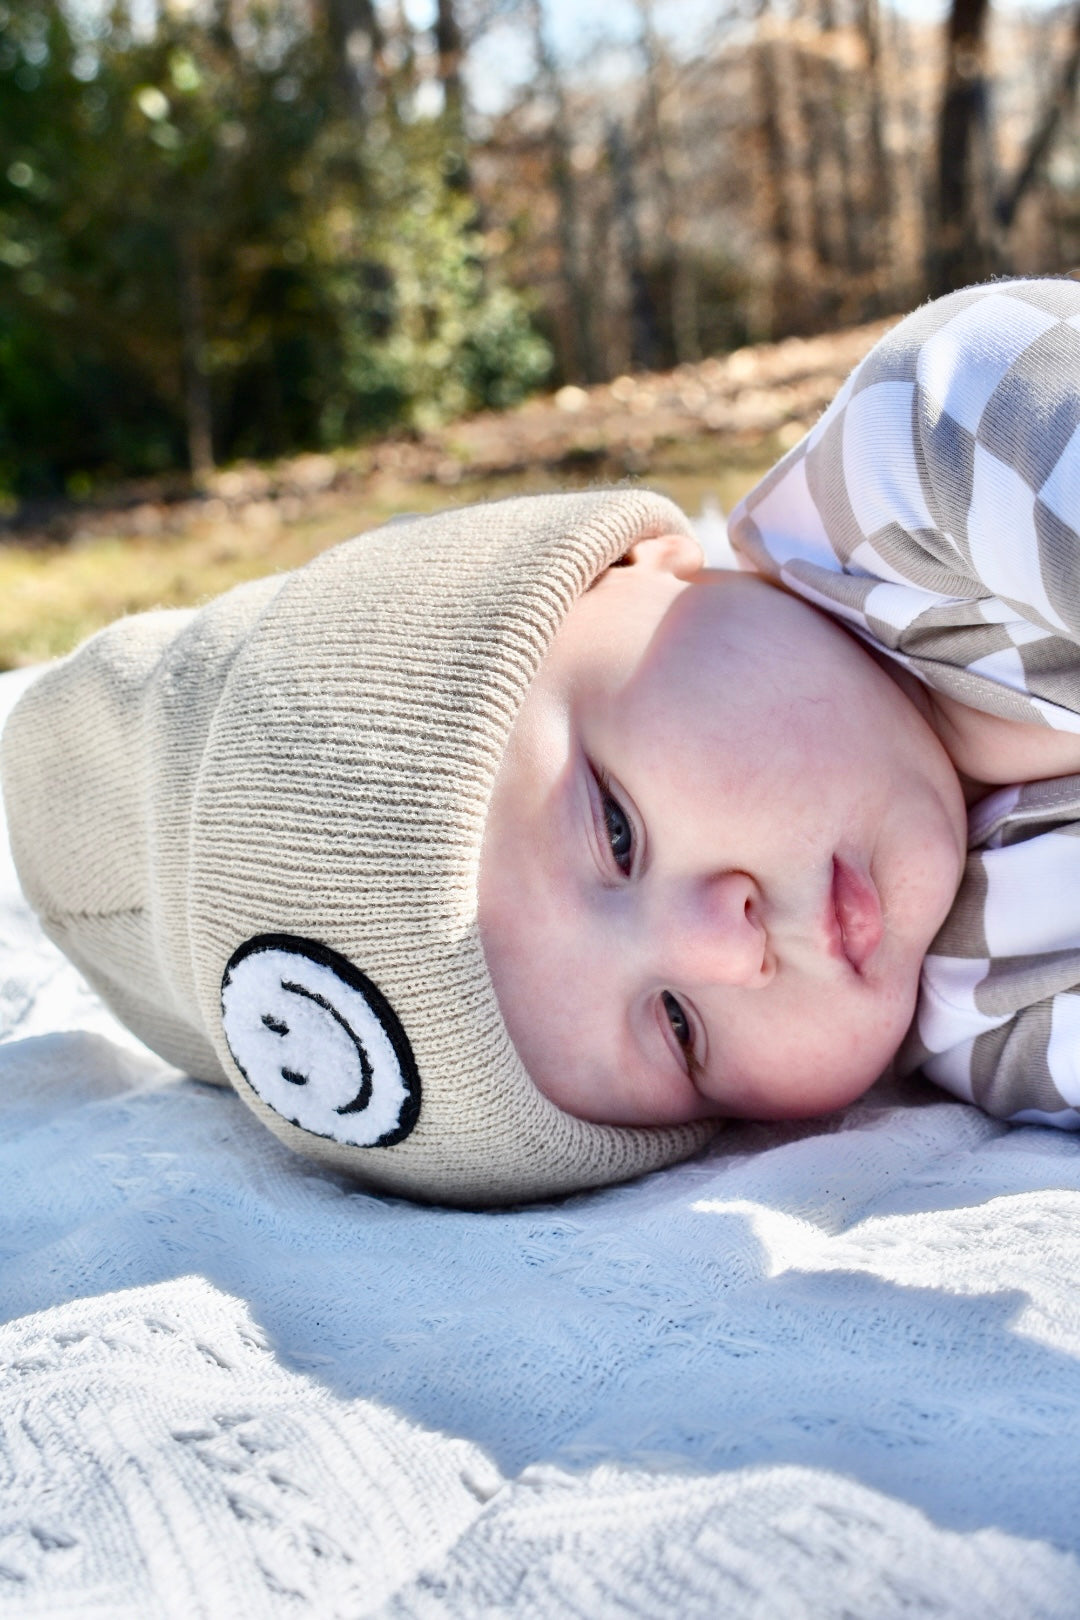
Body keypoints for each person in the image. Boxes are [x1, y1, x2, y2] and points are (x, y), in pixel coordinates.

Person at [4, 277, 1078, 1211]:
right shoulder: (982, 1018)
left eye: (615, 830)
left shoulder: (924, 458)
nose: (726, 949)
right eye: (677, 1031)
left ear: (634, 564)